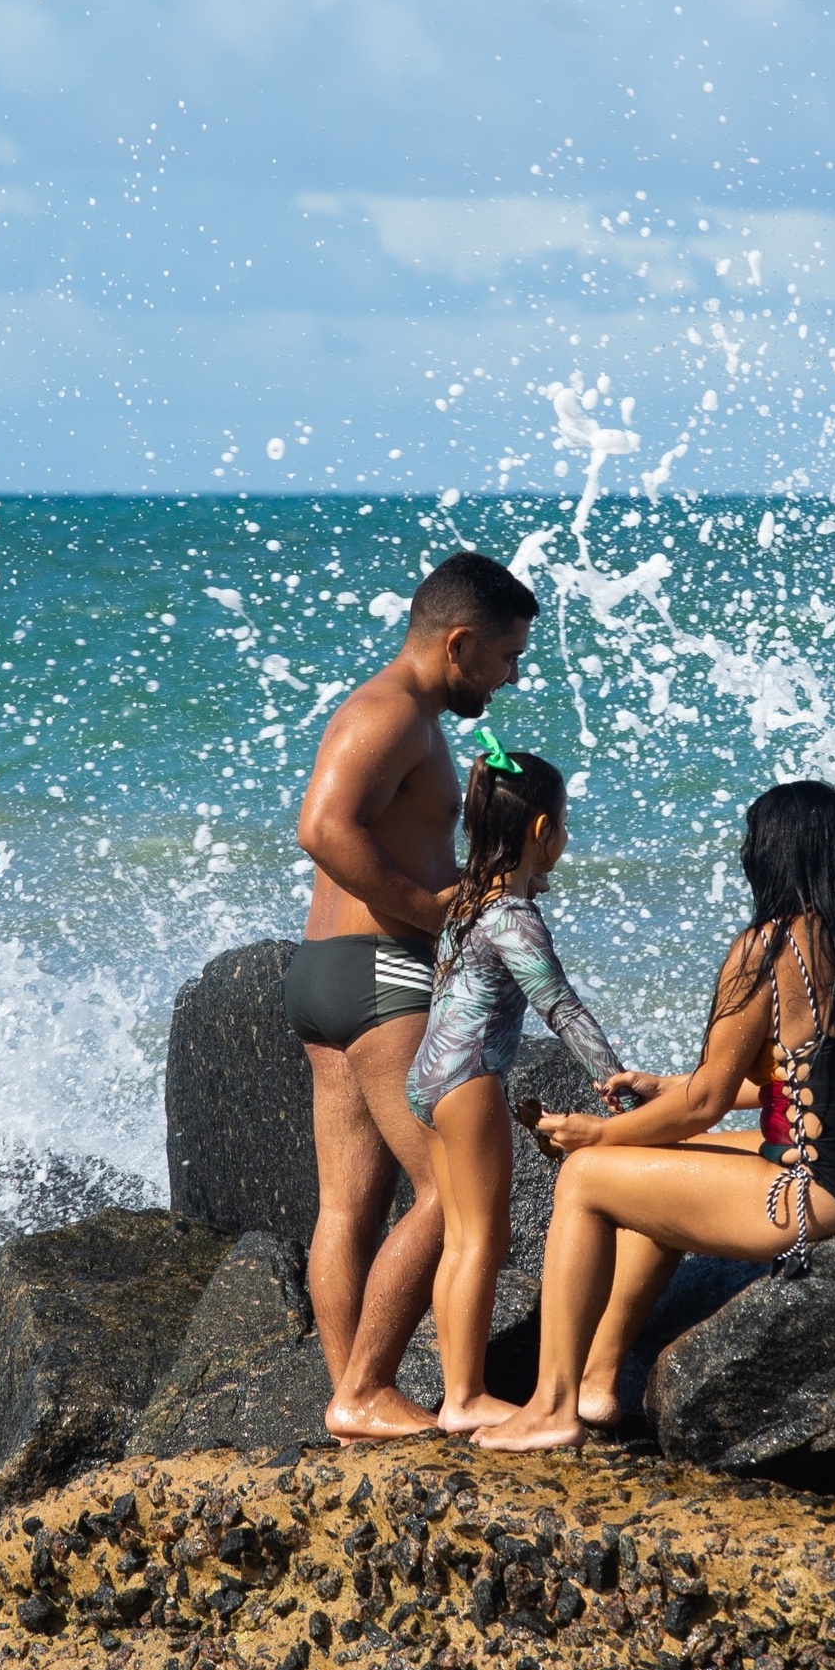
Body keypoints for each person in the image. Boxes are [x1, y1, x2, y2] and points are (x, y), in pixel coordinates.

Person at [475, 779, 835, 1454]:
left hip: (819, 1196)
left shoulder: (770, 947)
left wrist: (594, 1135)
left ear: (766, 858)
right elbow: (834, 1078)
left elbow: (705, 1104)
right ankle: (598, 1383)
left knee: (589, 1178)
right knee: (661, 1173)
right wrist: (667, 1086)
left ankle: (551, 1406)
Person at [287, 549, 539, 1440]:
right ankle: (364, 1389)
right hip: (380, 972)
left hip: (327, 975)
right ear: (460, 643)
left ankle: (350, 1400)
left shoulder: (410, 720)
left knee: (348, 1206)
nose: (509, 679)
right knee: (451, 1191)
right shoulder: (389, 711)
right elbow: (322, 825)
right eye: (506, 658)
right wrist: (430, 910)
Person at [404, 738, 624, 1433]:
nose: (565, 837)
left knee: (460, 1237)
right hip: (469, 1081)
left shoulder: (469, 902)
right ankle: (464, 1398)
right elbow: (561, 1008)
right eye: (562, 824)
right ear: (540, 830)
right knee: (481, 1241)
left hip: (428, 1075)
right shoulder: (515, 920)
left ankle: (457, 1392)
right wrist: (611, 1083)